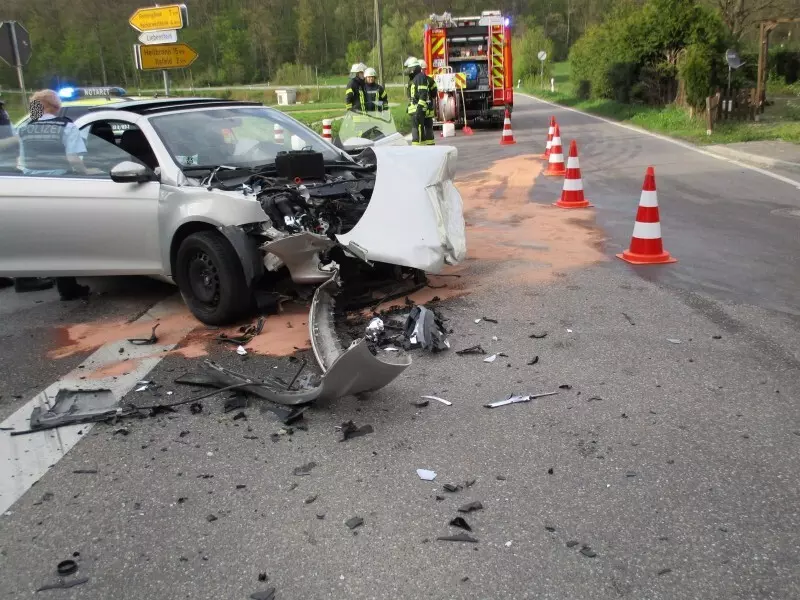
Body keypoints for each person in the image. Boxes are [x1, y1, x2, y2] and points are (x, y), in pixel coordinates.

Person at [14, 90, 91, 300]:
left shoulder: (25, 127)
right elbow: (74, 159)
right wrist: (87, 174)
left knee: (36, 234)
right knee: (61, 236)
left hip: (29, 186)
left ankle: (24, 279)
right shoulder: (65, 126)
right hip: (58, 184)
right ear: (53, 106)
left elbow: (20, 160)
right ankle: (67, 287)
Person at [404, 58, 429, 147]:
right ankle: (417, 148)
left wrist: (419, 108)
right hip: (415, 111)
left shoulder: (420, 77)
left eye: (409, 69)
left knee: (418, 131)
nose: (408, 71)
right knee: (416, 131)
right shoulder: (415, 78)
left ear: (413, 69)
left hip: (418, 110)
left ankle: (419, 149)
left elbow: (423, 94)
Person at [418, 59, 437, 146]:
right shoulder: (429, 80)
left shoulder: (414, 81)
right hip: (426, 110)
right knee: (427, 129)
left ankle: (426, 147)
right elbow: (434, 94)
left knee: (423, 129)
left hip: (420, 110)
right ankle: (429, 147)